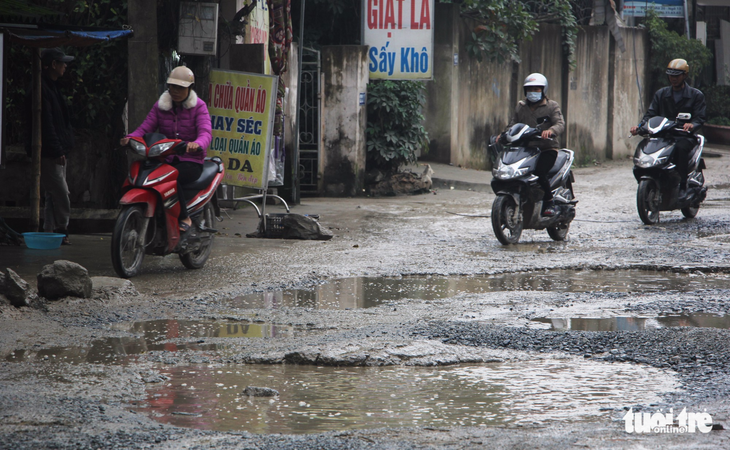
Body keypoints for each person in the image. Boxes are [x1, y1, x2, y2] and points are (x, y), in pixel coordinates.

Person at [120, 66, 212, 235]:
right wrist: (130, 138)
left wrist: (197, 144)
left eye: (180, 88)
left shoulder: (199, 107)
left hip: (191, 161)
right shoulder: (160, 106)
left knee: (171, 178)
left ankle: (184, 217)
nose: (175, 91)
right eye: (172, 87)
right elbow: (145, 128)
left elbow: (205, 132)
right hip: (165, 159)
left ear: (189, 88)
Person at [630, 59, 706, 199]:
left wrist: (692, 125)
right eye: (671, 75)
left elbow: (700, 118)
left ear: (685, 75)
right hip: (662, 135)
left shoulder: (696, 95)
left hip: (683, 136)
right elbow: (650, 114)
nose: (673, 78)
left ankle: (683, 185)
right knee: (645, 147)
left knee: (680, 149)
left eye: (677, 75)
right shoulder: (661, 94)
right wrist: (639, 127)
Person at [502, 73, 565, 216]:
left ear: (543, 90)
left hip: (546, 148)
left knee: (539, 172)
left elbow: (560, 123)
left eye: (537, 89)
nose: (533, 92)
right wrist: (504, 134)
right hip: (526, 149)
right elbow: (512, 125)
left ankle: (550, 202)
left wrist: (550, 131)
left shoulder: (551, 106)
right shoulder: (521, 107)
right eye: (530, 89)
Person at [32, 48, 76, 245]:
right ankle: (62, 229)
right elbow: (47, 124)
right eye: (62, 62)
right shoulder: (41, 89)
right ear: (52, 65)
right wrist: (57, 149)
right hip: (50, 152)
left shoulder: (53, 87)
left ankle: (50, 231)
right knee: (60, 192)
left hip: (59, 149)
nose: (65, 66)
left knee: (53, 194)